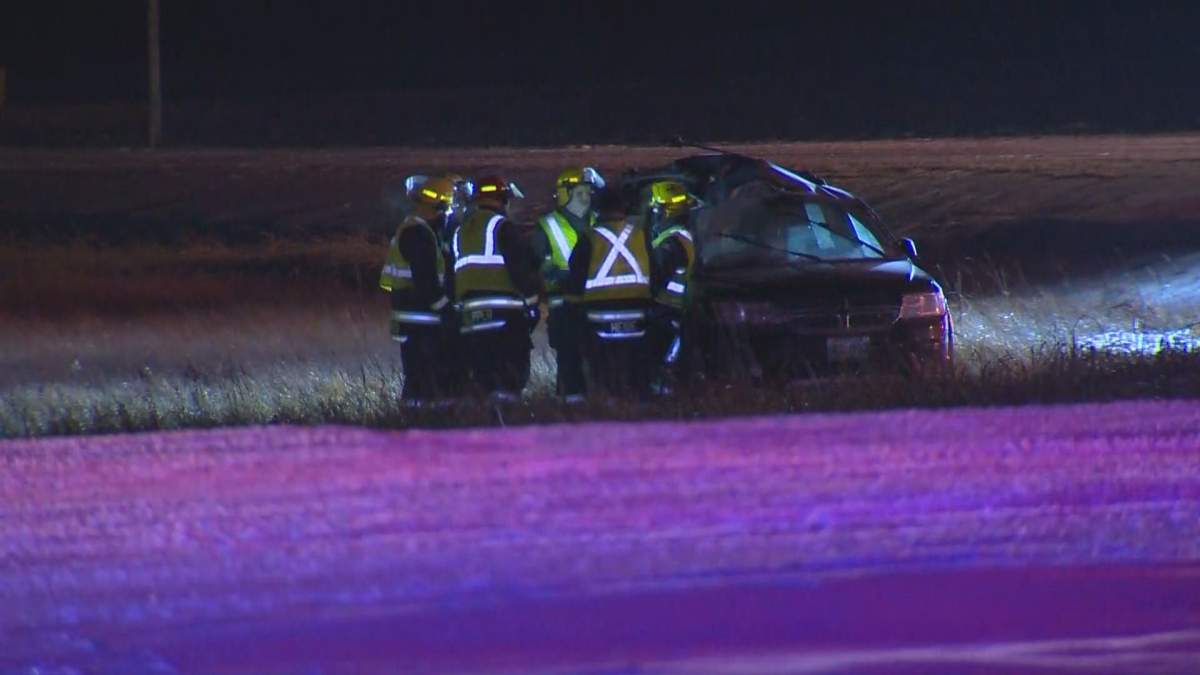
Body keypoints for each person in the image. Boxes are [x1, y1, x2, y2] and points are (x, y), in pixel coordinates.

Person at [451, 174, 541, 400]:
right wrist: (532, 306)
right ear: (503, 199)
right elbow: (520, 270)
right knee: (509, 379)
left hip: (471, 319)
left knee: (483, 380)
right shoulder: (503, 227)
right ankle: (505, 425)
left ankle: (483, 425)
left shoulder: (460, 232)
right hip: (505, 317)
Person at [565, 187, 656, 397]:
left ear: (597, 209)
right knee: (637, 373)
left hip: (599, 317)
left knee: (604, 374)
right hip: (638, 315)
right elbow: (655, 272)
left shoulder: (589, 237)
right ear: (624, 207)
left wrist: (571, 313)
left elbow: (574, 281)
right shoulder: (641, 235)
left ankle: (607, 406)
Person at [379, 176, 459, 404]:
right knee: (423, 379)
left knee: (419, 378)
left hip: (414, 316)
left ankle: (415, 419)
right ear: (440, 206)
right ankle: (418, 420)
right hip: (420, 318)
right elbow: (427, 283)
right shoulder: (419, 234)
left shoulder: (419, 229)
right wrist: (448, 311)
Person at [529, 166, 605, 400]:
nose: (586, 197)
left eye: (588, 192)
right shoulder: (548, 226)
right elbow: (537, 266)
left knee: (600, 356)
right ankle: (571, 402)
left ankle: (597, 400)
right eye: (580, 192)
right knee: (569, 359)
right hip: (562, 305)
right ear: (566, 194)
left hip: (595, 302)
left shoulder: (599, 222)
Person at [645, 180, 699, 393]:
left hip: (669, 311)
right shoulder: (687, 234)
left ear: (662, 211)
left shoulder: (670, 242)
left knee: (660, 364)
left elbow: (656, 278)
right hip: (683, 310)